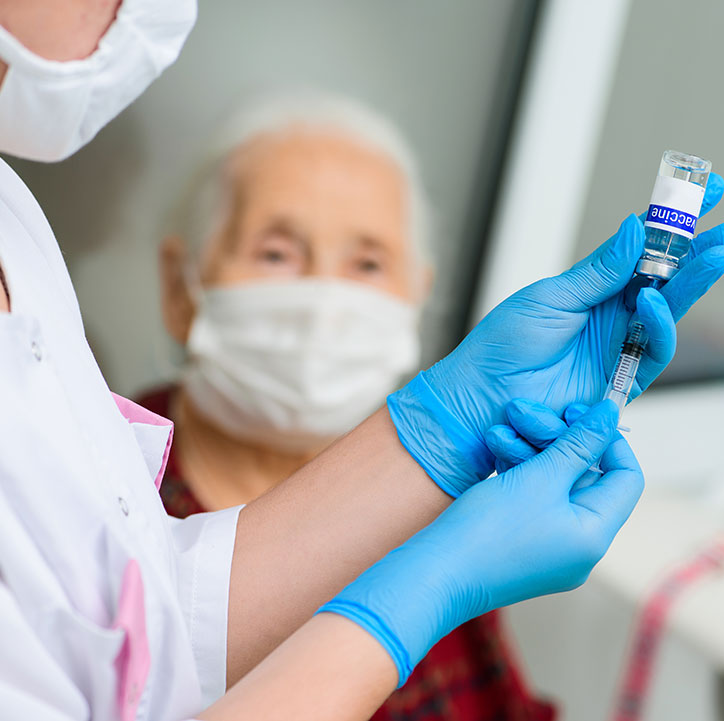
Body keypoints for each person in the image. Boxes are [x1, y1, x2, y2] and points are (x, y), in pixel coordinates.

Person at [0, 1, 724, 720]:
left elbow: (143, 623)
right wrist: (416, 593)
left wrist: (443, 427)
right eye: (276, 253)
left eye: (369, 262)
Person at [144, 93, 556, 720]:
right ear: (182, 286)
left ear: (417, 296)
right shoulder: (112, 486)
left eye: (366, 263)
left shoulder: (434, 500)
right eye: (277, 254)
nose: (325, 303)